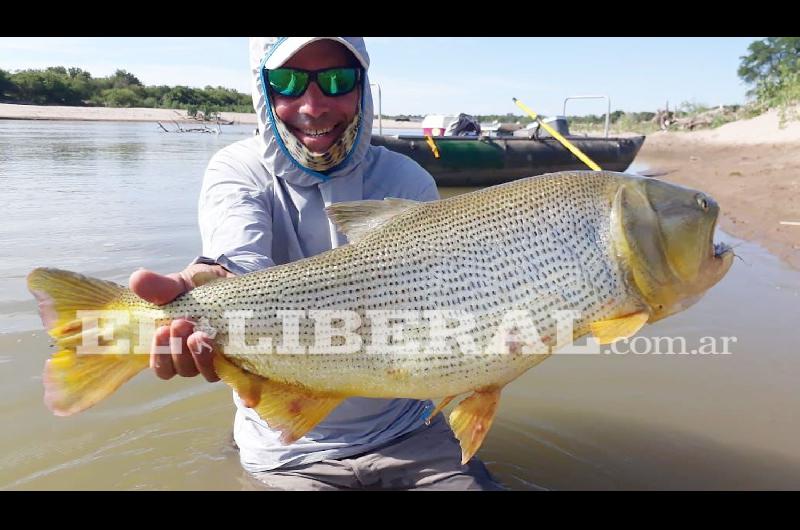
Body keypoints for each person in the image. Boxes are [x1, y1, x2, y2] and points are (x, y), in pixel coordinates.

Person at [129, 37, 505, 491]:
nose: (313, 105)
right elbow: (239, 261)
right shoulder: (236, 169)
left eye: (336, 80)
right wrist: (209, 284)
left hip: (409, 431)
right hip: (287, 449)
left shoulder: (408, 180)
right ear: (263, 89)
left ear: (362, 87)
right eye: (287, 82)